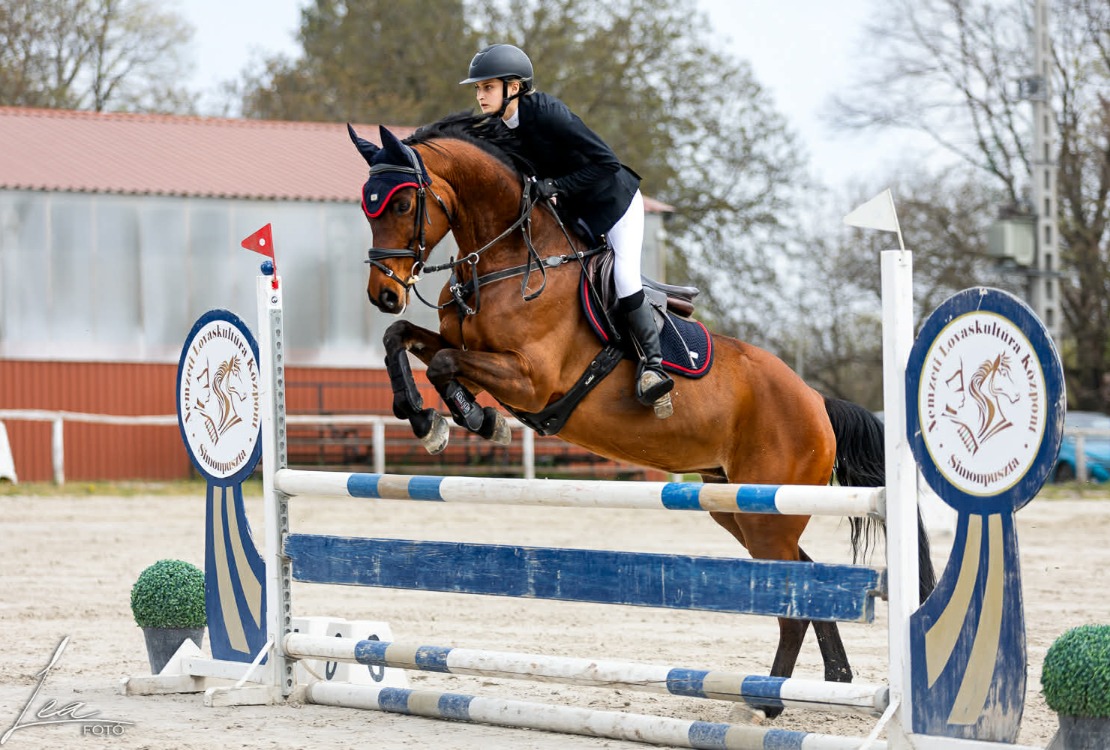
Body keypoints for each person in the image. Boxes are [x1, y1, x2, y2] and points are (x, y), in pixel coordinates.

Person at [460, 43, 674, 419]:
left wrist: (556, 186)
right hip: (577, 211)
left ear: (514, 87)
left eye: (487, 87)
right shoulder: (499, 129)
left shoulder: (549, 114)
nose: (480, 95)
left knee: (623, 276)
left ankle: (653, 368)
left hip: (615, 203)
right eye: (478, 88)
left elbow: (605, 163)